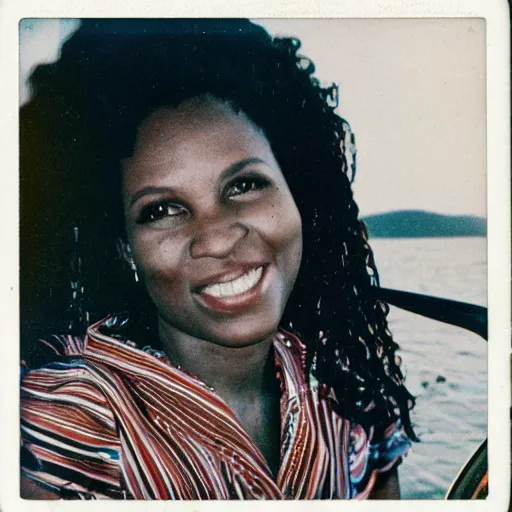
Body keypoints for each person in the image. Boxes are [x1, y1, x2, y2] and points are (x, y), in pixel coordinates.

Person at [20, 18, 417, 500]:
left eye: (244, 184)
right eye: (162, 210)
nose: (217, 238)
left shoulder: (346, 386)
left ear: (296, 196)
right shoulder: (72, 418)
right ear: (125, 251)